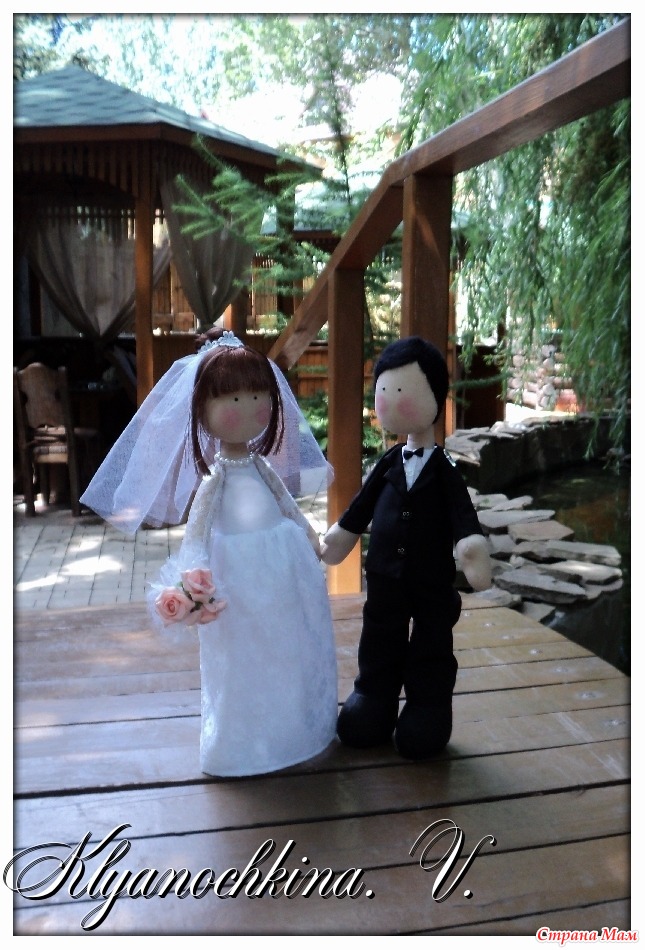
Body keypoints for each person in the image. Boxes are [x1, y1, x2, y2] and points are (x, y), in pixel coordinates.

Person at [81, 331, 338, 777]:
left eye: (258, 395)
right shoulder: (214, 480)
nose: (249, 407)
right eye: (233, 398)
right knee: (240, 657)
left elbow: (287, 505)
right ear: (202, 409)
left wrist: (310, 534)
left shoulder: (262, 467)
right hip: (235, 577)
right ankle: (243, 740)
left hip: (281, 567)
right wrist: (193, 571)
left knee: (286, 646)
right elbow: (197, 530)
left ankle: (292, 727)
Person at [321, 336, 491, 760]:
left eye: (402, 390)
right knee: (379, 637)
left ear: (435, 395)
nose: (391, 400)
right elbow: (360, 508)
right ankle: (373, 698)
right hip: (384, 577)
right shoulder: (388, 462)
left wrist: (470, 547)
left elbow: (462, 514)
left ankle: (427, 708)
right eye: (385, 390)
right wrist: (340, 535)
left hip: (431, 580)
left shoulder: (445, 468)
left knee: (432, 643)